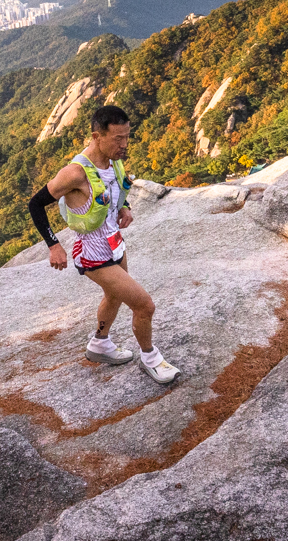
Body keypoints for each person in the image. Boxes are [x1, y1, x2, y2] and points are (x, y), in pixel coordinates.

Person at [26, 104, 179, 383]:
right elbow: (35, 203)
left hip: (115, 244)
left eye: (127, 136)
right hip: (92, 253)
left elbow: (118, 187)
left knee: (115, 296)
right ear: (97, 136)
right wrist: (53, 245)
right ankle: (151, 358)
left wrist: (125, 207)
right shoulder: (75, 173)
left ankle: (99, 344)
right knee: (144, 306)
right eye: (117, 138)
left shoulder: (113, 161)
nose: (124, 145)